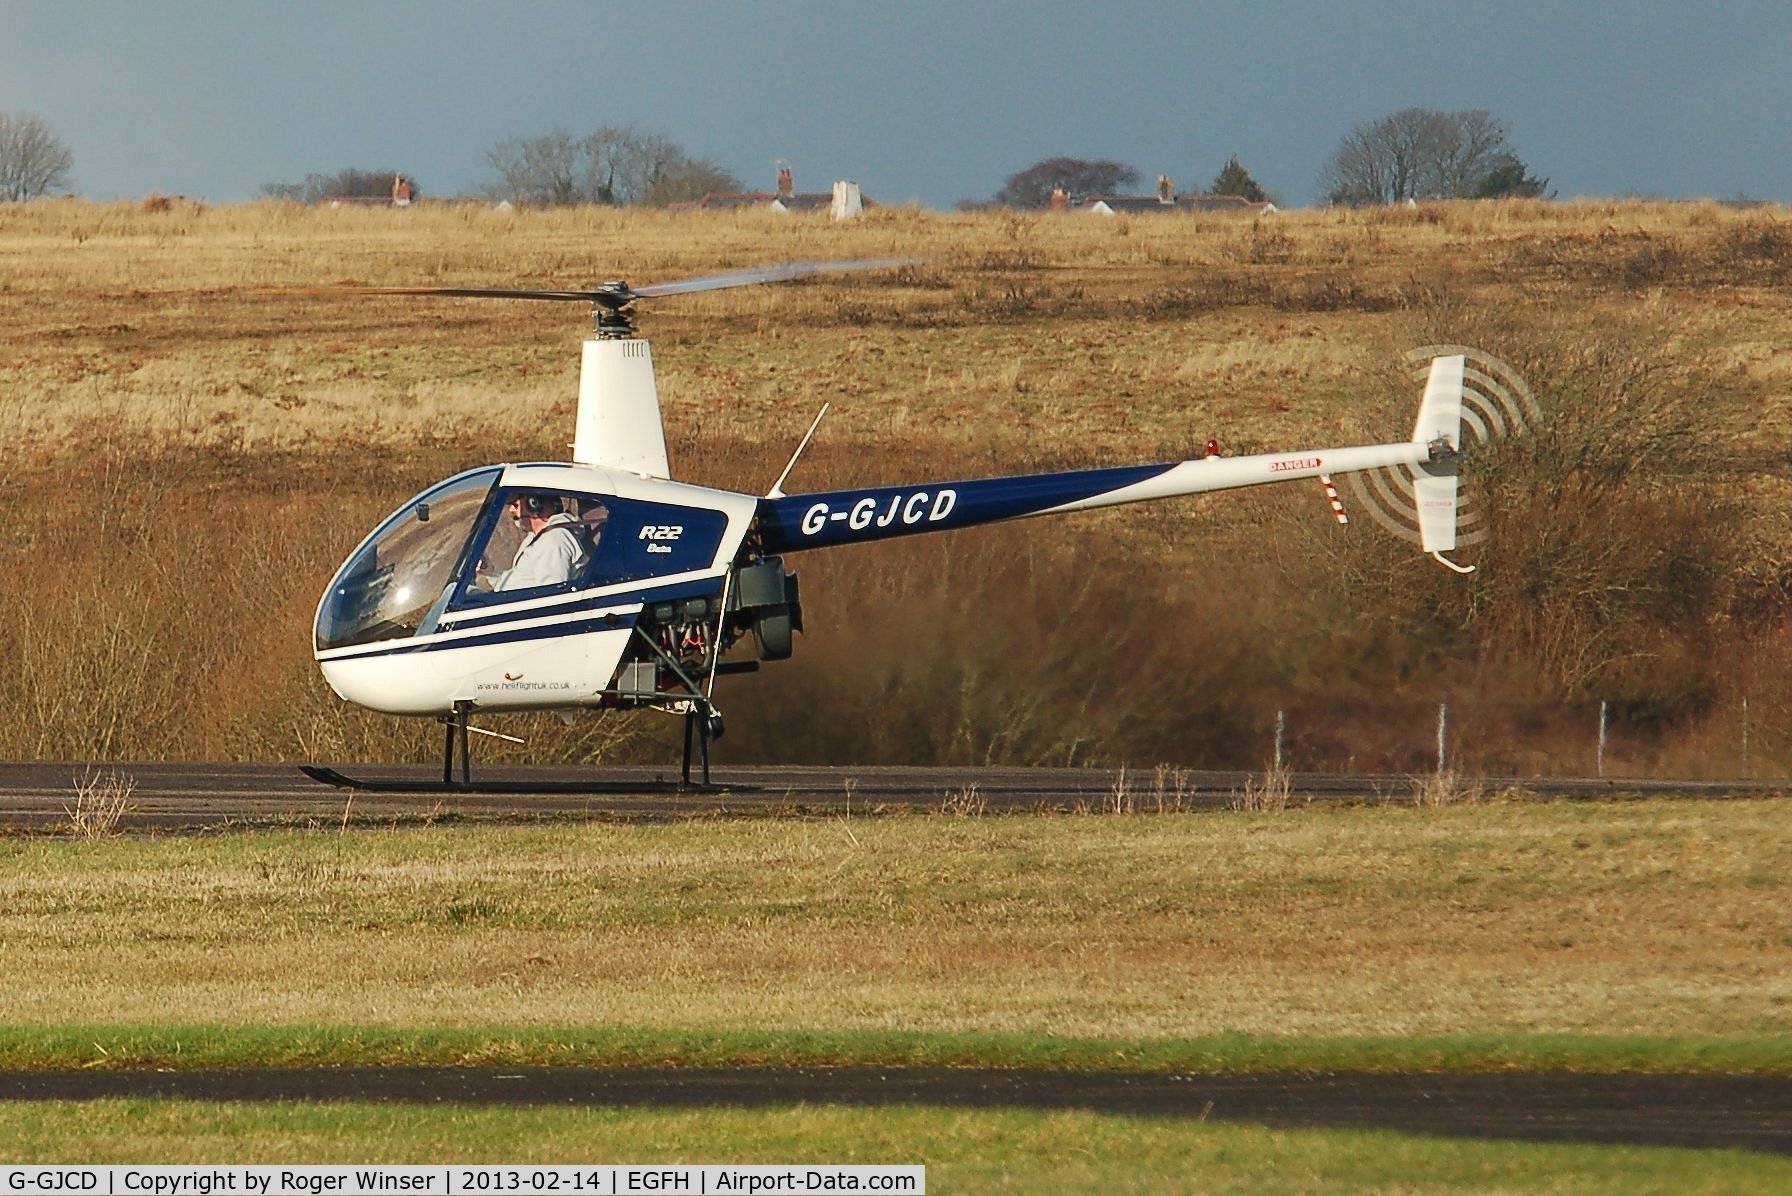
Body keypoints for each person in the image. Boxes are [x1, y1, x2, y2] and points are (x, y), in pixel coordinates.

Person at [487, 493, 588, 592]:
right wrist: (491, 571)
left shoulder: (552, 541)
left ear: (534, 504)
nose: (511, 510)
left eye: (516, 505)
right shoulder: (535, 538)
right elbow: (522, 581)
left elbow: (551, 596)